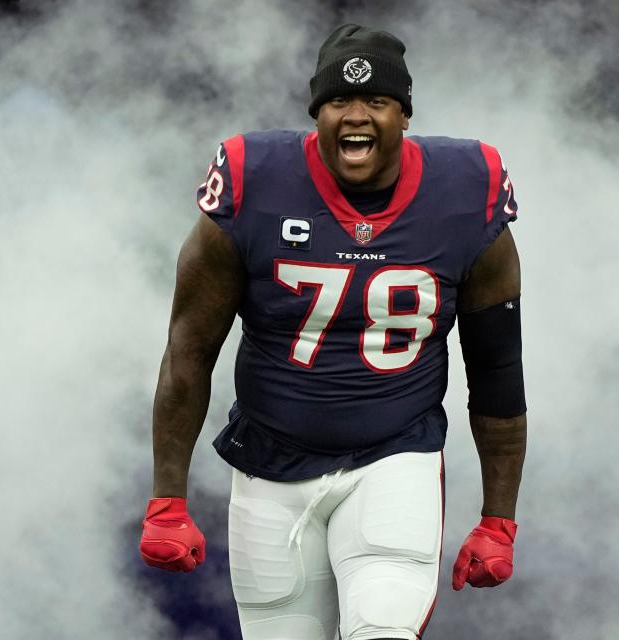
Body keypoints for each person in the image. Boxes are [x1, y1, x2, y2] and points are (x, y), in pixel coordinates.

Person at [139, 23, 527, 640]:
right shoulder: (253, 179)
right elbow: (189, 351)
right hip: (269, 466)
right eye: (339, 102)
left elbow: (498, 370)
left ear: (404, 115)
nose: (357, 116)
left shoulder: (465, 190)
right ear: (316, 113)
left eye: (376, 101)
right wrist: (167, 500)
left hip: (395, 455)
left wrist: (498, 519)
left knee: (383, 632)